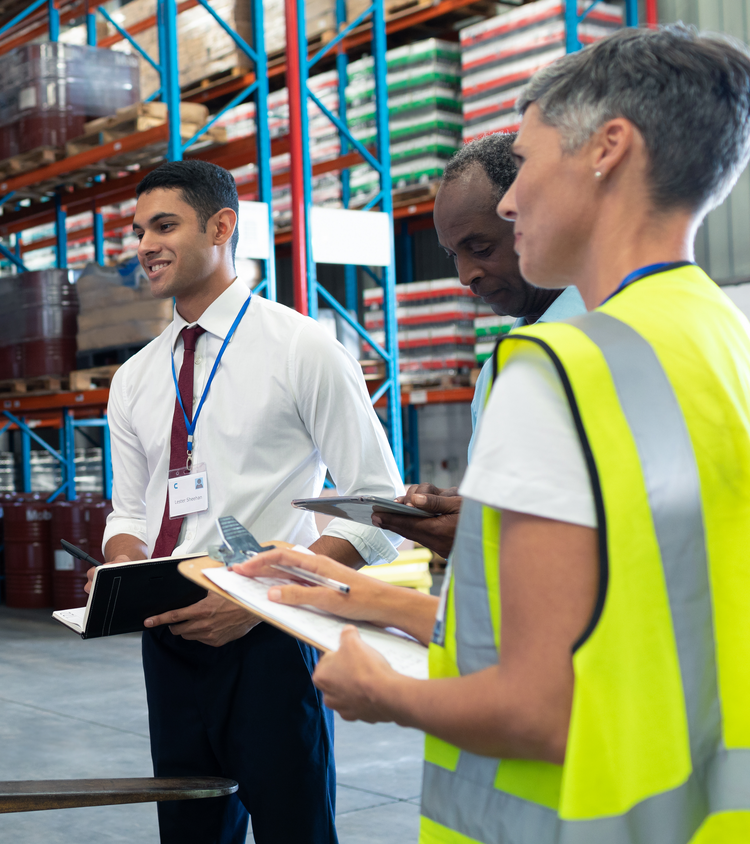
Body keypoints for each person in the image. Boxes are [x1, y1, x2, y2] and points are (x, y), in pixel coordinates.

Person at [237, 25, 750, 843]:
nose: (511, 202)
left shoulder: (556, 367)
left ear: (608, 149)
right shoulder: (723, 341)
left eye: (532, 158)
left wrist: (377, 691)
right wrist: (385, 604)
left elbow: (537, 712)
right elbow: (636, 614)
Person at [96, 159, 405, 842]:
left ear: (222, 226)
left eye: (164, 225)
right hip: (169, 637)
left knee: (295, 828)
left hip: (273, 639)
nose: (144, 243)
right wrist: (121, 569)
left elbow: (379, 504)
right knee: (190, 832)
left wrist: (255, 600)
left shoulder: (301, 348)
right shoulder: (136, 377)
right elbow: (131, 513)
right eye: (139, 229)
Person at [372, 132, 586, 558]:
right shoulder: (505, 362)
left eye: (481, 248)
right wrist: (463, 508)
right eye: (454, 256)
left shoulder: (603, 345)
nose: (466, 275)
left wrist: (485, 535)